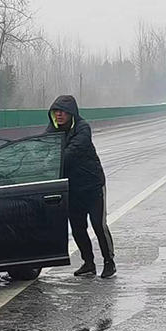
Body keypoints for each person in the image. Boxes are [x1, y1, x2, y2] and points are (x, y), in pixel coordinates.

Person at [46, 94, 116, 278]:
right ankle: (88, 263)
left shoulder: (82, 127)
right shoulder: (52, 130)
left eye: (63, 111)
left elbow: (73, 151)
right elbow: (43, 148)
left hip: (92, 186)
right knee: (78, 228)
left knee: (98, 225)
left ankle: (109, 262)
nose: (59, 115)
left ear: (71, 113)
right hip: (72, 189)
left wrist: (54, 159)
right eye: (56, 111)